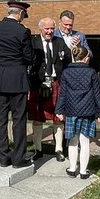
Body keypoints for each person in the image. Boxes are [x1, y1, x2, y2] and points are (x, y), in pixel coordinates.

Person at [0, 0, 34, 168]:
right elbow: (29, 58)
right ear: (20, 13)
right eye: (24, 16)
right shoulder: (23, 31)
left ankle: (4, 157)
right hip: (17, 80)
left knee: (0, 120)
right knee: (19, 120)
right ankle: (19, 158)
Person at [55, 44, 100, 180]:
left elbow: (62, 94)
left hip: (71, 111)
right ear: (86, 58)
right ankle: (83, 171)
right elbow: (97, 94)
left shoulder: (66, 72)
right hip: (88, 112)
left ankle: (72, 169)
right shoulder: (92, 73)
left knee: (73, 141)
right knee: (85, 141)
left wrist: (59, 110)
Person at [28, 16, 72, 160]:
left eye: (52, 28)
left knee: (58, 117)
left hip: (55, 82)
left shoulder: (59, 41)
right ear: (40, 28)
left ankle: (58, 150)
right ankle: (38, 149)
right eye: (47, 28)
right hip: (38, 84)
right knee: (38, 118)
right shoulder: (33, 42)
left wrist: (70, 50)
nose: (50, 31)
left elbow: (68, 56)